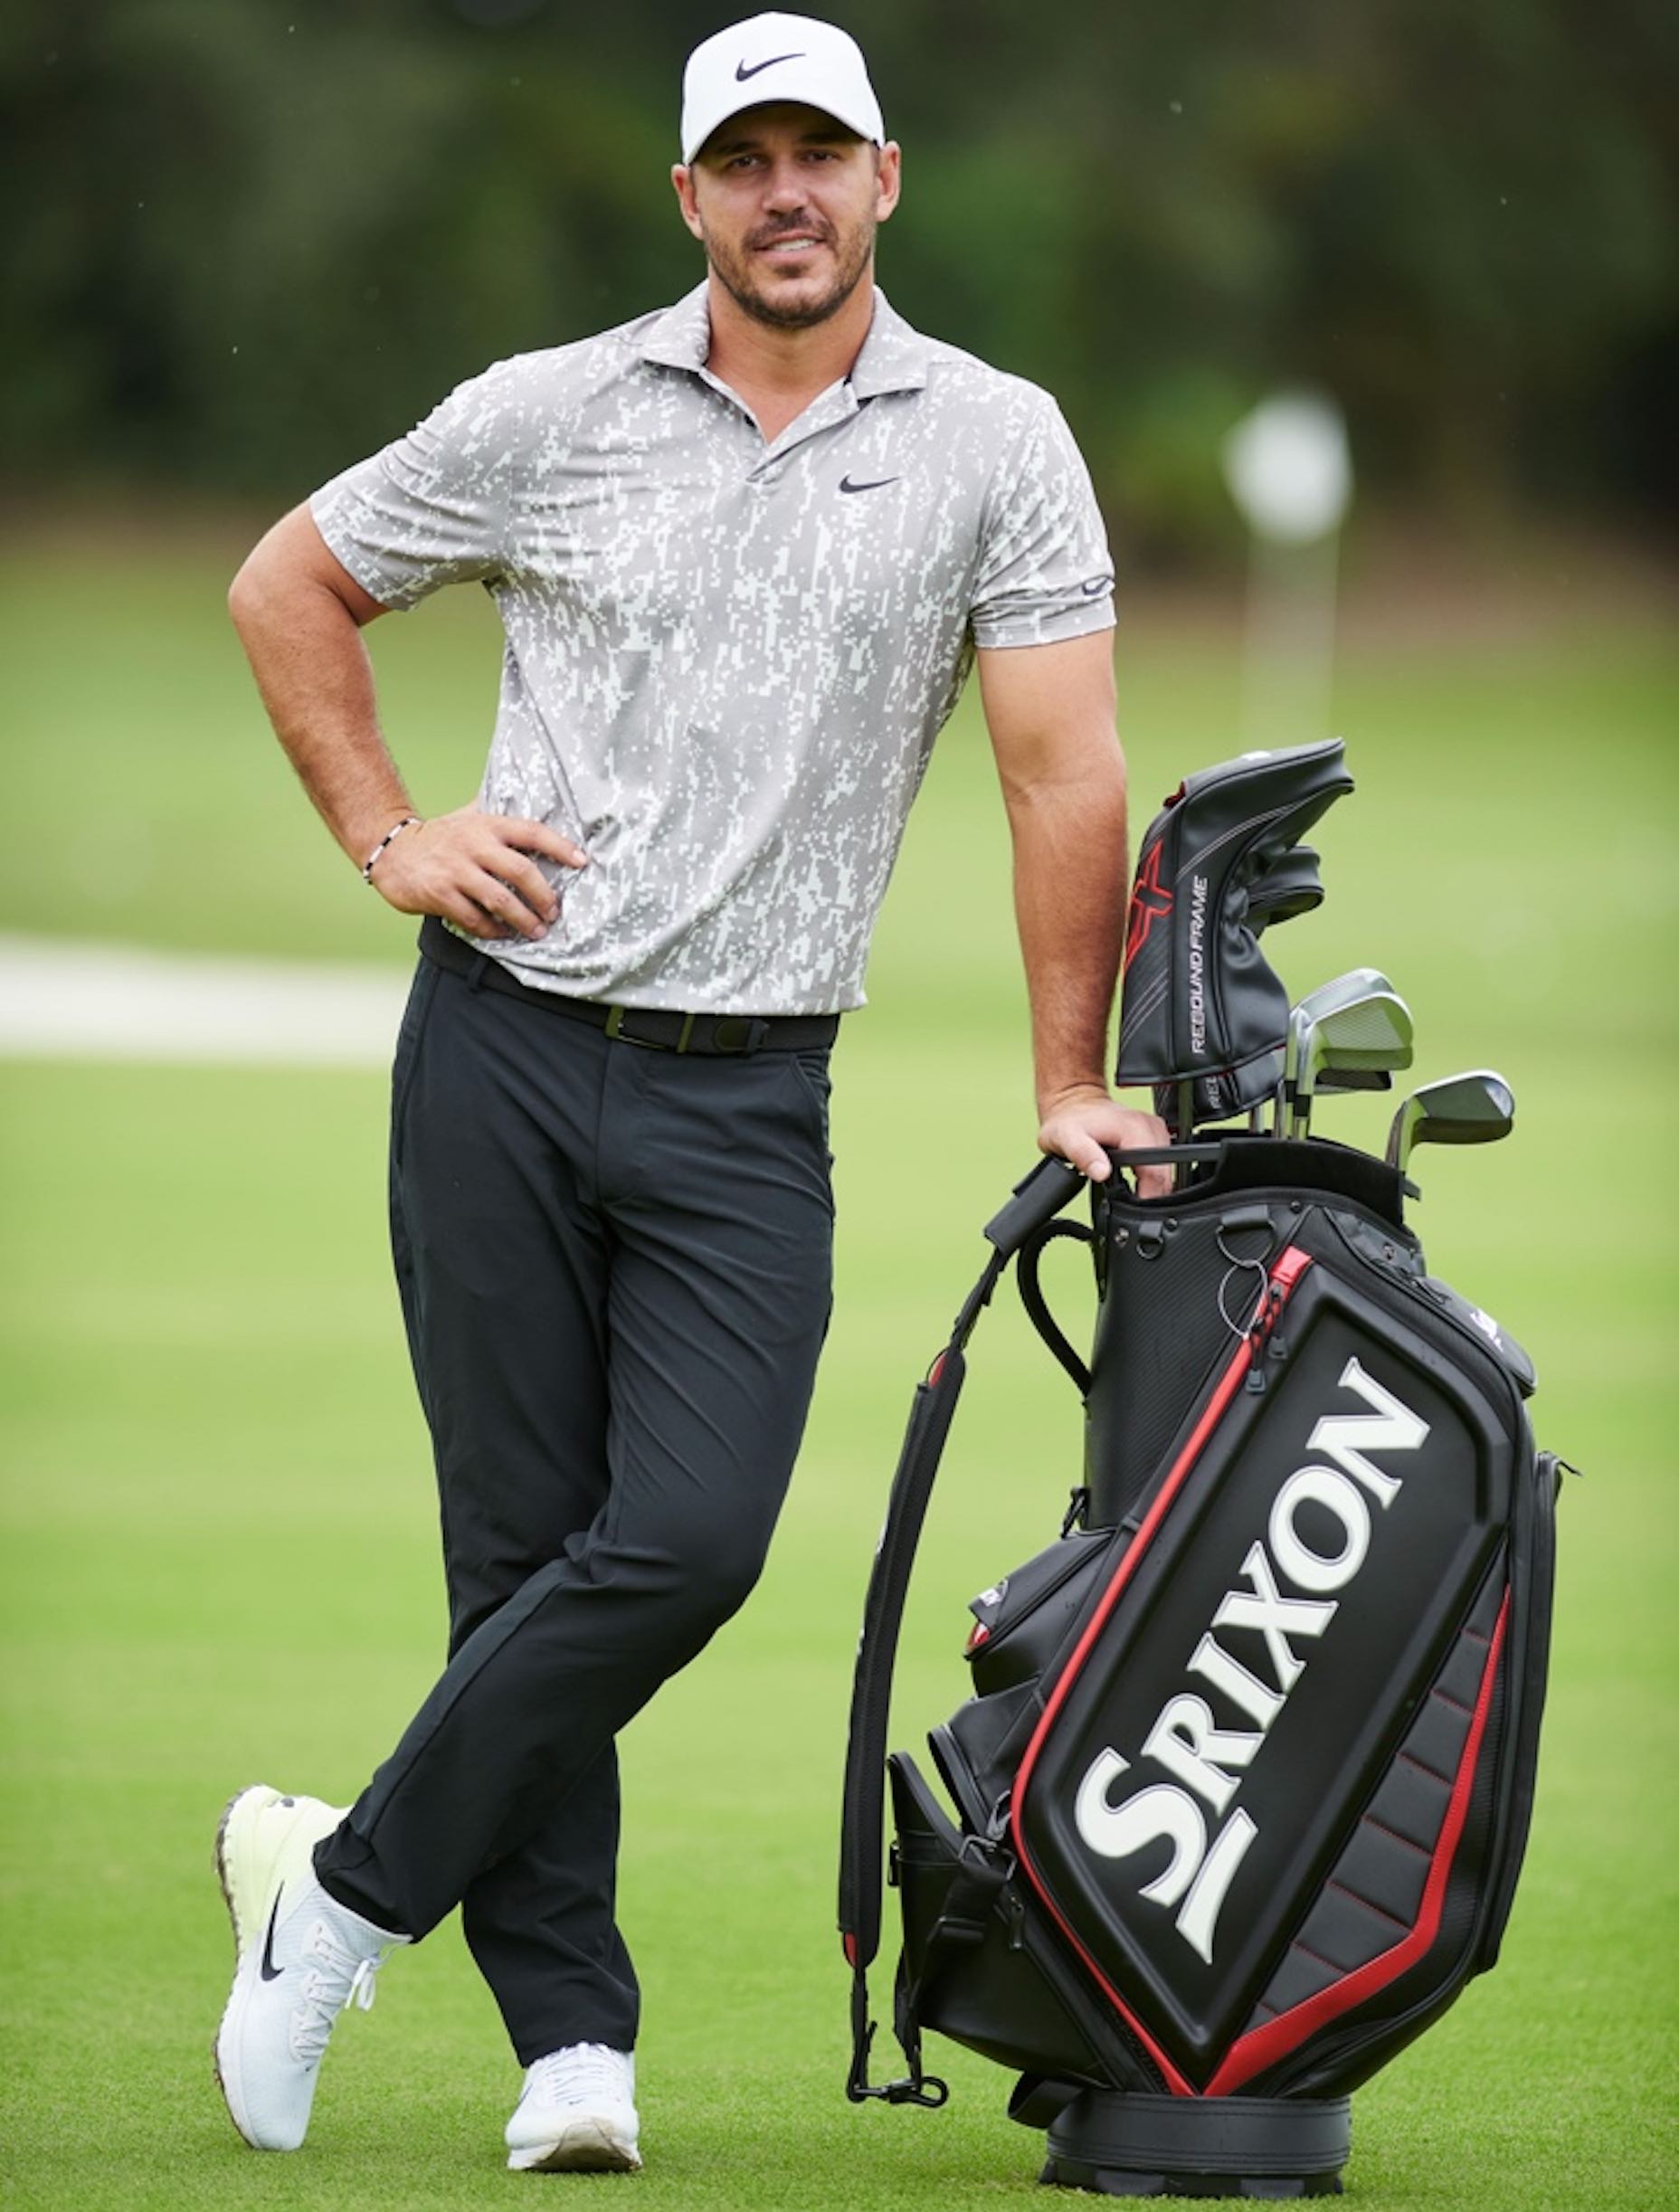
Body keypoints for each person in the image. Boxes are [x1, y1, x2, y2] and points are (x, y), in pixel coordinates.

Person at [216, 8, 1171, 2176]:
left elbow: (1062, 771)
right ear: (690, 198)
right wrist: (391, 835)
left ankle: (332, 1887)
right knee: (517, 1551)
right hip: (499, 1046)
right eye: (743, 160)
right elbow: (293, 583)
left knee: (685, 1539)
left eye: (818, 152)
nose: (784, 192)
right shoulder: (548, 407)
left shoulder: (996, 440)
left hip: (748, 1097)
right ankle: (570, 2042)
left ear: (884, 178)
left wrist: (1068, 1073)